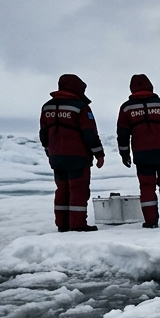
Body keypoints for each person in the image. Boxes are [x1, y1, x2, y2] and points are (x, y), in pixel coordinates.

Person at [117, 74, 160, 228]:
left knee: (146, 187)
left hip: (142, 155)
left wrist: (124, 154)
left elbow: (122, 134)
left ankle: (151, 222)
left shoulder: (126, 108)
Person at [39, 74, 105, 232]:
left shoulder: (47, 107)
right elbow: (89, 133)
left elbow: (43, 135)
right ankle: (77, 224)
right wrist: (99, 154)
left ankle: (62, 224)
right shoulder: (80, 107)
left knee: (62, 190)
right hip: (78, 157)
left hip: (57, 158)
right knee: (78, 190)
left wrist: (50, 152)